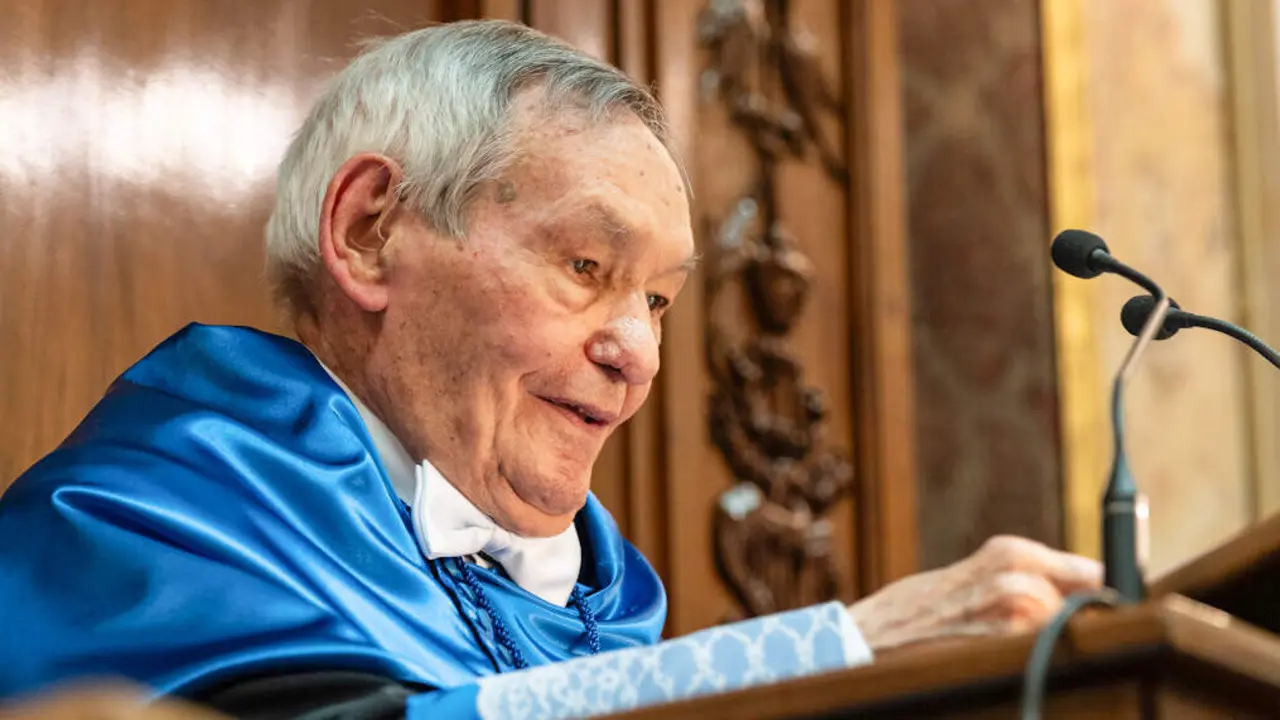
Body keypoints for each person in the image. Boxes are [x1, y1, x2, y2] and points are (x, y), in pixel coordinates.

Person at [0, 19, 1102, 719]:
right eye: (587, 265)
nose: (635, 356)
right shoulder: (157, 513)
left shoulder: (602, 598)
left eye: (659, 302)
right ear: (373, 230)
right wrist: (847, 652)